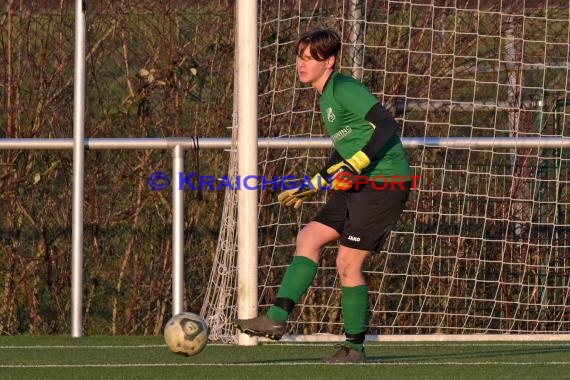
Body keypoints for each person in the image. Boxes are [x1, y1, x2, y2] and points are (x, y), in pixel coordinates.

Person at [232, 27, 411, 363]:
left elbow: (386, 125)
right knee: (309, 237)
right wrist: (314, 182)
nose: (301, 64)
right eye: (300, 56)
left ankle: (354, 348)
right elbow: (346, 147)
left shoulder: (344, 87)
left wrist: (358, 163)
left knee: (347, 261)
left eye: (309, 58)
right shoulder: (325, 95)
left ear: (328, 61)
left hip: (385, 183)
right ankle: (276, 319)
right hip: (359, 182)